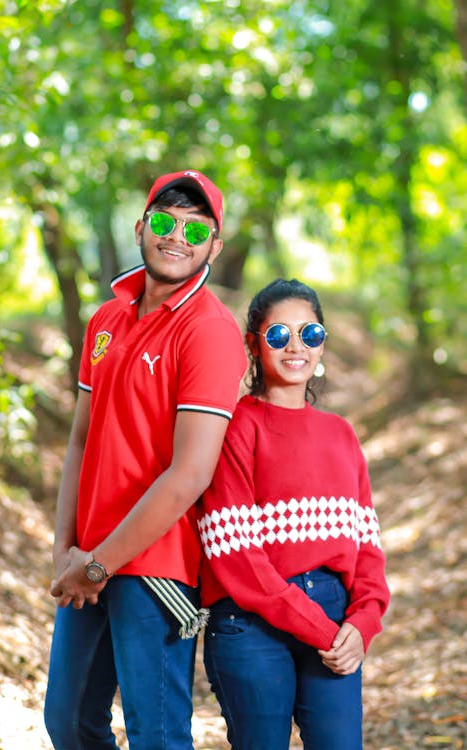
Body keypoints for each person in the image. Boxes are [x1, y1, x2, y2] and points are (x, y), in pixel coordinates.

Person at [44, 169, 248, 750]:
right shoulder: (104, 321)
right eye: (163, 221)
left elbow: (190, 475)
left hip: (157, 566)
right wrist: (66, 549)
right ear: (140, 228)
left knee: (155, 735)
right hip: (89, 558)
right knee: (70, 723)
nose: (175, 236)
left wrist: (99, 564)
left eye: (195, 227)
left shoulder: (209, 331)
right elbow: (81, 441)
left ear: (215, 244)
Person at [197, 278, 390, 750]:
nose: (296, 346)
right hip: (249, 620)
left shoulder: (341, 435)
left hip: (334, 614)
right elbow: (235, 555)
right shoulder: (234, 428)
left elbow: (367, 550)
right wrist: (321, 630)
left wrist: (361, 624)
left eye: (310, 334)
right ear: (254, 344)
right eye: (279, 335)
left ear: (323, 343)